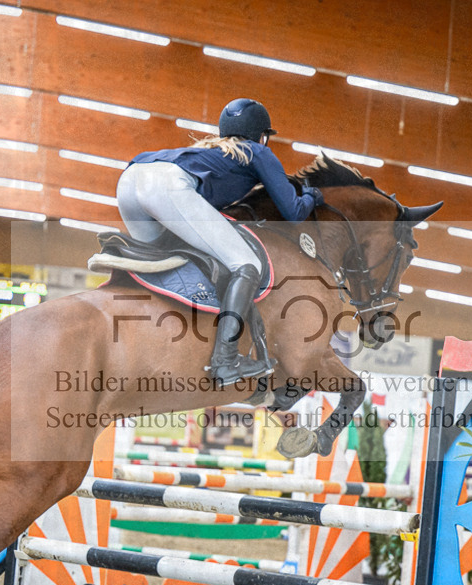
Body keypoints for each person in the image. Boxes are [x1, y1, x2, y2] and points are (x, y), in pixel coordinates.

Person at [116, 98, 324, 386]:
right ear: (259, 134)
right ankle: (225, 361)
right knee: (247, 264)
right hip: (167, 185)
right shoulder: (257, 151)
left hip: (130, 180)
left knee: (165, 260)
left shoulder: (211, 149)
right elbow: (294, 212)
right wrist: (312, 196)